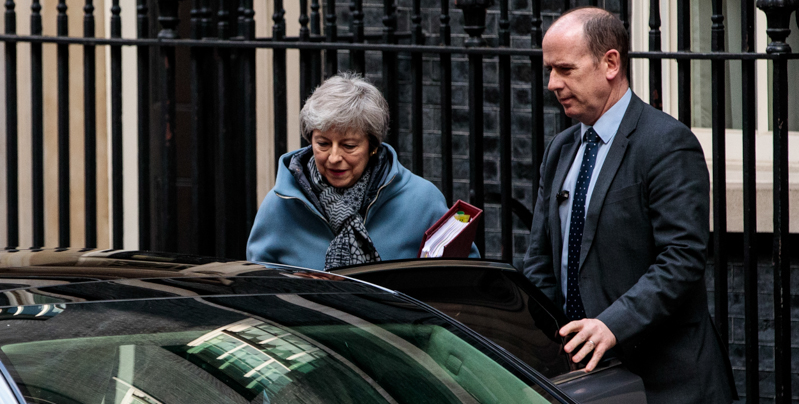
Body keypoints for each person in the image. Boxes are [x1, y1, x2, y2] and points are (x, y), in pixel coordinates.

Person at [522, 7, 736, 403]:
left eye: (565, 69)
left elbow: (682, 258)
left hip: (666, 382)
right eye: (549, 70)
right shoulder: (561, 149)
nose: (552, 83)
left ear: (610, 63)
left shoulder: (666, 144)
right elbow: (540, 258)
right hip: (584, 379)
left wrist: (611, 325)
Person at [247, 73, 478, 270]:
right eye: (323, 144)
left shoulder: (422, 201)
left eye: (349, 146)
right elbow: (257, 287)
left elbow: (464, 277)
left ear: (373, 146)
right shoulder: (280, 204)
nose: (334, 157)